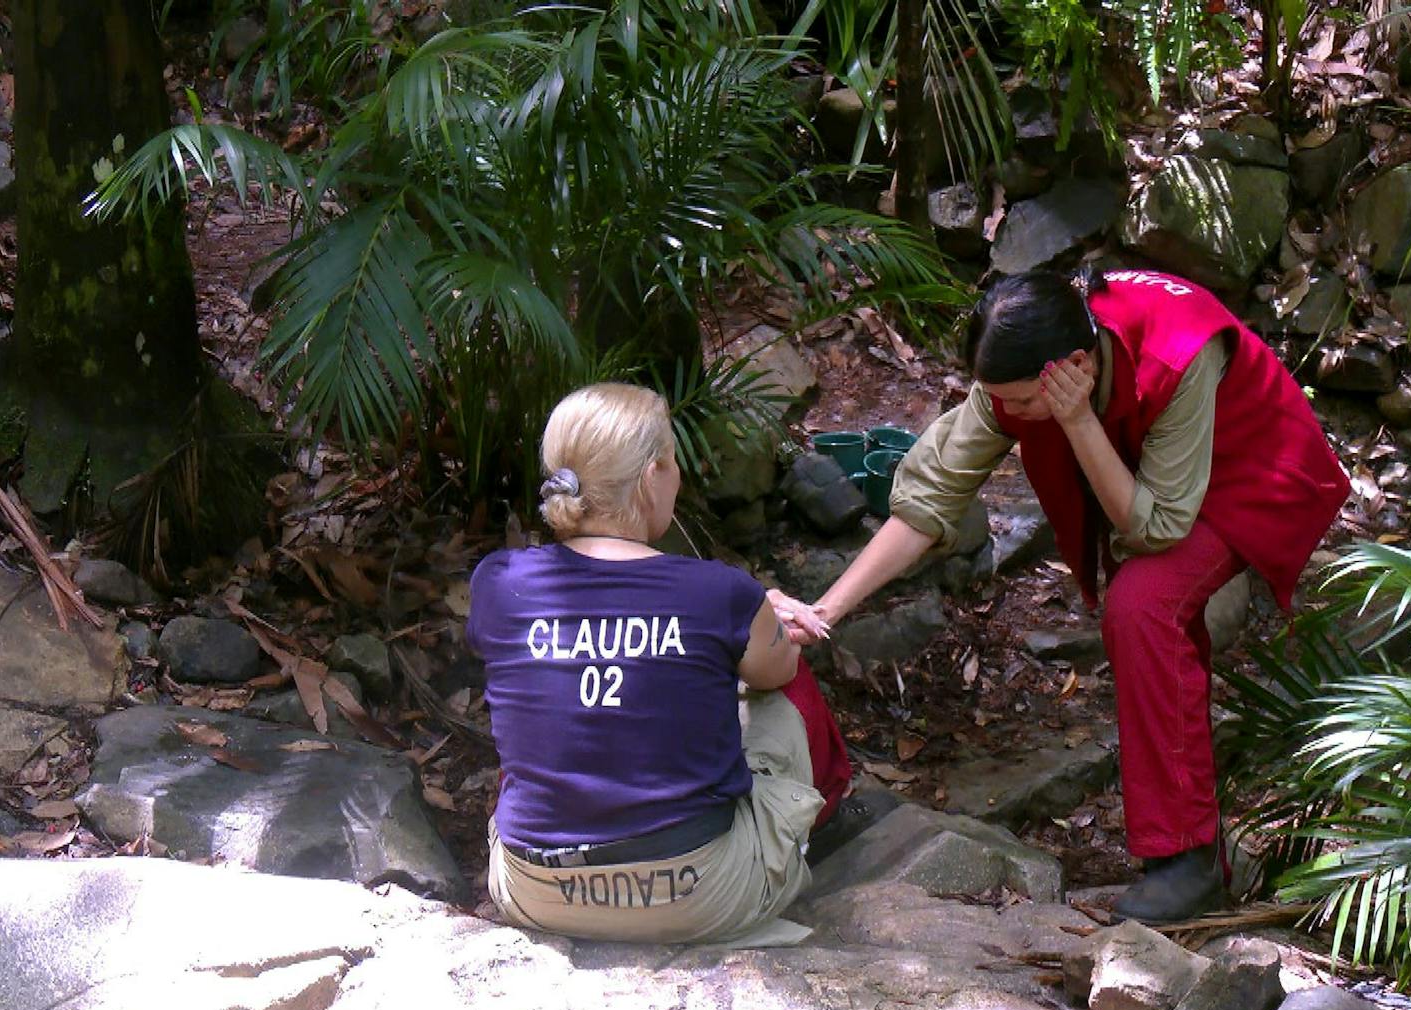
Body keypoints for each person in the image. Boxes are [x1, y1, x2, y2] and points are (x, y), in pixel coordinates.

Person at [779, 267, 1350, 924]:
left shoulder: (1177, 351)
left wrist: (1078, 422)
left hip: (1246, 465)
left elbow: (1158, 526)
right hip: (1147, 473)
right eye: (999, 401)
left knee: (1143, 607)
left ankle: (1187, 859)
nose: (1009, 415)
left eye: (1021, 403)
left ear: (1074, 366)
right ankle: (1192, 835)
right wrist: (828, 609)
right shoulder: (1026, 367)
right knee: (1147, 610)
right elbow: (930, 499)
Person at [467, 382, 862, 946]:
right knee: (786, 683)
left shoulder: (500, 582)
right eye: (674, 463)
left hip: (536, 893)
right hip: (699, 895)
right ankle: (811, 837)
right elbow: (773, 672)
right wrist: (762, 618)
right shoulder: (719, 592)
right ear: (652, 476)